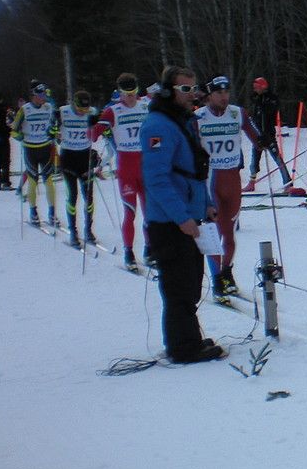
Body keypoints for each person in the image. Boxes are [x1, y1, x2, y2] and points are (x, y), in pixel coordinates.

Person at [140, 66, 226, 364]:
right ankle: (183, 348)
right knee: (178, 286)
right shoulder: (157, 126)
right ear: (169, 91)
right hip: (170, 223)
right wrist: (182, 218)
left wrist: (207, 205)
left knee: (191, 283)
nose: (193, 95)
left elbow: (194, 171)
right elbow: (157, 179)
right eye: (185, 90)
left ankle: (188, 337)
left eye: (194, 89)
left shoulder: (184, 121)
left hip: (190, 214)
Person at [195, 75, 262, 300]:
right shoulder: (198, 117)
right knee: (212, 232)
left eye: (226, 92)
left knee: (229, 235)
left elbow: (257, 137)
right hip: (210, 181)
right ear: (209, 94)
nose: (224, 97)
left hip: (232, 180)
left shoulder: (238, 113)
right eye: (218, 93)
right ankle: (216, 281)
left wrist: (265, 139)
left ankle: (226, 272)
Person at [94, 73, 152, 269]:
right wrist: (93, 122)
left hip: (145, 165)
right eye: (126, 94)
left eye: (133, 93)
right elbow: (93, 136)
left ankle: (149, 249)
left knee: (149, 211)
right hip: (126, 167)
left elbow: (155, 133)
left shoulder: (146, 107)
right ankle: (128, 252)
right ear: (119, 93)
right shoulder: (113, 111)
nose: (130, 98)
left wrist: (156, 147)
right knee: (130, 212)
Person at [11, 82, 59, 227]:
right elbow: (13, 130)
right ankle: (33, 212)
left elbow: (53, 124)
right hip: (30, 149)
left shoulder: (48, 107)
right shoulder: (24, 110)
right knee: (32, 181)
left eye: (44, 95)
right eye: (40, 95)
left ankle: (52, 213)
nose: (43, 98)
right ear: (33, 96)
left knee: (49, 181)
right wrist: (19, 136)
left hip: (45, 147)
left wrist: (53, 132)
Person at [57, 90, 99, 246]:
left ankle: (88, 230)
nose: (83, 113)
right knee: (73, 196)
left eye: (85, 110)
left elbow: (102, 130)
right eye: (80, 109)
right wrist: (54, 130)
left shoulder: (92, 112)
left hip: (85, 158)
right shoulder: (62, 112)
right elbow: (52, 131)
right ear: (73, 104)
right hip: (68, 159)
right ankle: (73, 232)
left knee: (89, 197)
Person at [245, 76, 292, 192]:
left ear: (263, 87)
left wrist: (266, 134)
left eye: (257, 87)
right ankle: (251, 183)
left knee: (277, 159)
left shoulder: (271, 99)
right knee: (254, 160)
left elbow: (270, 113)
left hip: (268, 134)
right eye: (254, 87)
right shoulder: (256, 98)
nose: (255, 89)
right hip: (257, 134)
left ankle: (288, 183)